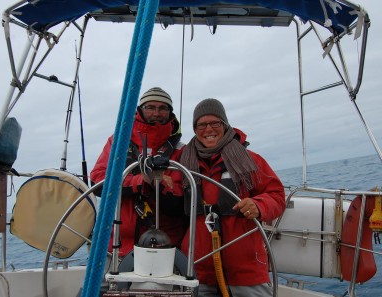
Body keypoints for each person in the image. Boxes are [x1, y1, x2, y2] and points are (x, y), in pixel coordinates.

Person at [179, 98, 286, 297]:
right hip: (198, 268)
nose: (208, 129)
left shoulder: (250, 160)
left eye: (215, 123)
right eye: (201, 124)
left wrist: (258, 204)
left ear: (225, 125)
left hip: (246, 269)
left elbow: (277, 196)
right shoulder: (183, 163)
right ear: (194, 129)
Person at [90, 87, 187, 259]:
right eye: (150, 107)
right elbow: (98, 181)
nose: (156, 113)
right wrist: (142, 180)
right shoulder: (118, 141)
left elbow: (182, 197)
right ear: (140, 110)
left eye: (163, 108)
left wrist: (160, 184)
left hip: (167, 246)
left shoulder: (181, 150)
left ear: (170, 113)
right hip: (117, 245)